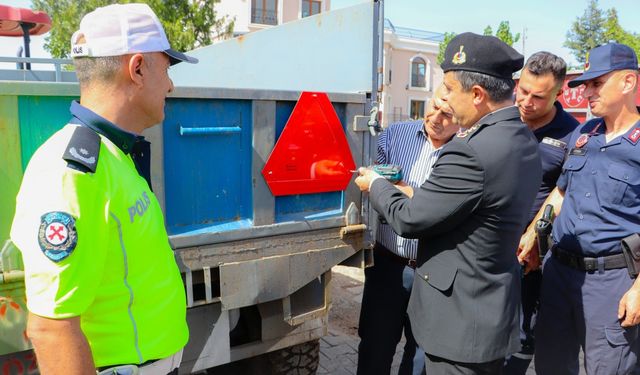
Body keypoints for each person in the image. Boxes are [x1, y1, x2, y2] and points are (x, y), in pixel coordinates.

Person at [9, 3, 197, 374]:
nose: (171, 84)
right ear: (138, 68)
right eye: (167, 67)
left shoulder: (112, 155)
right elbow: (51, 328)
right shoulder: (72, 173)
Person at [355, 32, 541, 374]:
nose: (447, 105)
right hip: (487, 313)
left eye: (451, 91)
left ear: (477, 94)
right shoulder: (523, 140)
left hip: (459, 324)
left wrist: (377, 184)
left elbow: (410, 218)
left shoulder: (470, 151)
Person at [519, 42, 640, 375]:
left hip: (612, 280)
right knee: (551, 366)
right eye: (585, 83)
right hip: (559, 273)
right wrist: (533, 234)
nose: (587, 91)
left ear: (628, 82)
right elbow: (560, 193)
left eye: (597, 83)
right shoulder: (583, 133)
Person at [357, 85, 459, 375]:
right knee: (374, 350)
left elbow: (441, 207)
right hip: (387, 265)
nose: (436, 117)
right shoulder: (394, 134)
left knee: (420, 358)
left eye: (447, 114)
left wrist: (396, 191)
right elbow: (368, 179)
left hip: (434, 274)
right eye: (435, 105)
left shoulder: (468, 152)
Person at [503, 52, 579, 374]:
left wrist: (536, 237)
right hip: (492, 245)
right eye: (523, 91)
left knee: (524, 334)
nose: (527, 101)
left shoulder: (573, 134)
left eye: (539, 97)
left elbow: (565, 193)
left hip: (533, 257)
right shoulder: (502, 118)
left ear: (559, 94)